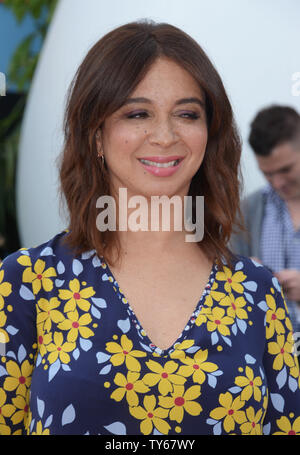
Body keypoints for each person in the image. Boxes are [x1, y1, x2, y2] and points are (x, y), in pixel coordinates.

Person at [0, 21, 299, 436]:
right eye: (137, 113)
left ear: (209, 133)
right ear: (96, 135)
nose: (164, 135)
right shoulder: (26, 281)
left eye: (187, 113)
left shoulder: (257, 292)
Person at [230, 105, 300, 336]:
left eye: (286, 169)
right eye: (268, 174)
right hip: (272, 357)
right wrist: (244, 273)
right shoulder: (248, 210)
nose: (278, 183)